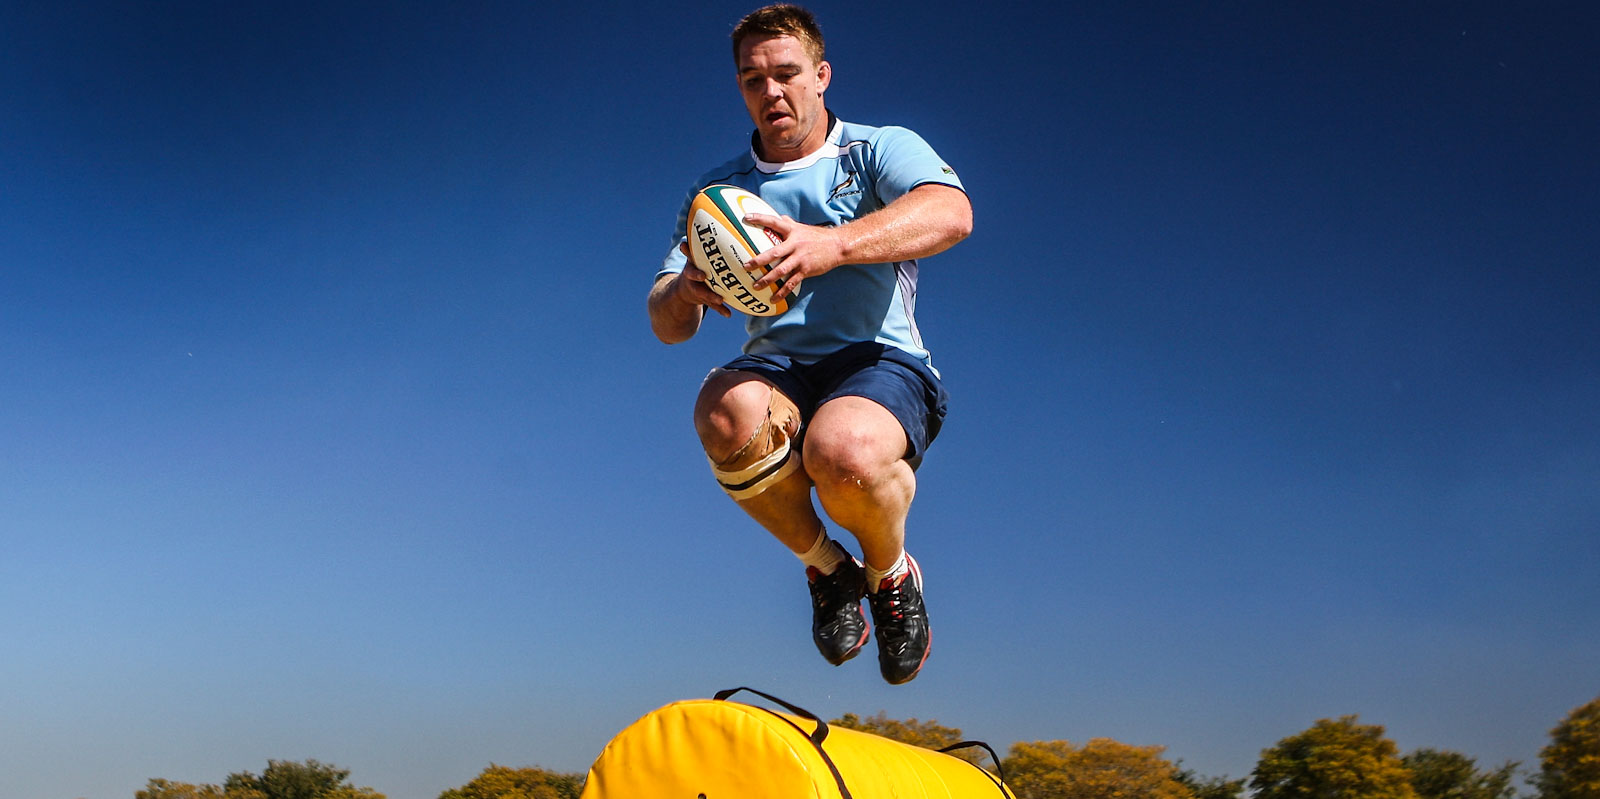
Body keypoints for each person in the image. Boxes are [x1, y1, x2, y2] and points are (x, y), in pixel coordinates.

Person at [647, 4, 972, 685]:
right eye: (753, 79)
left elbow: (951, 213)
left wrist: (835, 244)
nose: (771, 92)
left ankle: (889, 574)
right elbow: (666, 323)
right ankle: (828, 569)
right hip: (778, 365)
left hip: (877, 358)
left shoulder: (875, 150)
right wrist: (686, 290)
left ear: (821, 75)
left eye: (787, 73)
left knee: (843, 452)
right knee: (722, 413)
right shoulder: (717, 195)